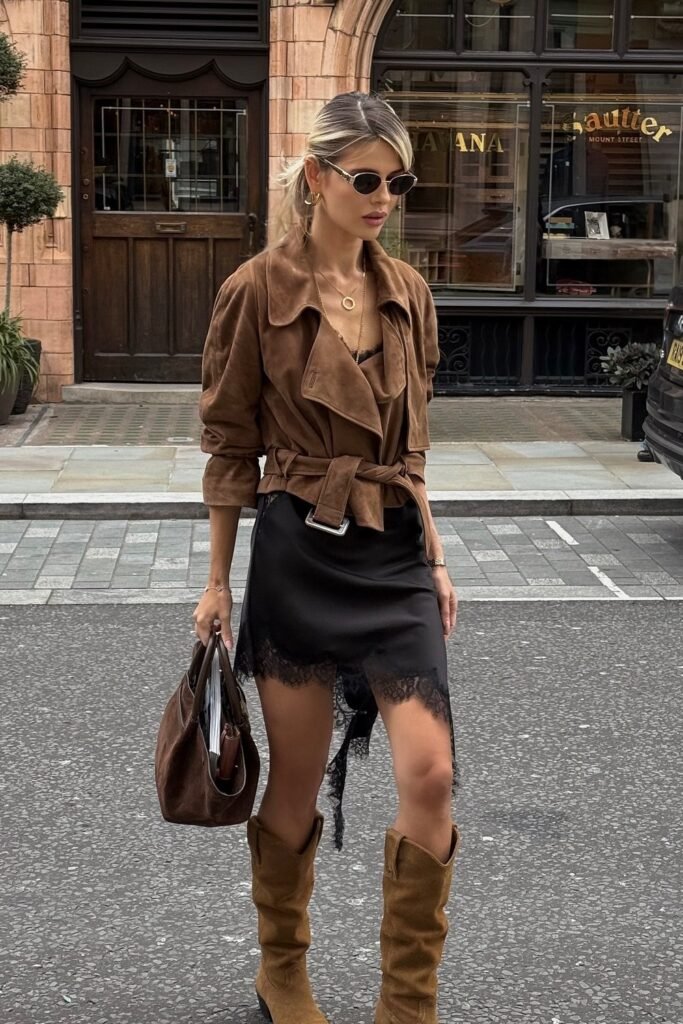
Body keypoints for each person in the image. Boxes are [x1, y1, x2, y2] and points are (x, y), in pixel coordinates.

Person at [193, 91, 462, 1024]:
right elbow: (229, 447)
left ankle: (407, 1005)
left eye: (400, 180)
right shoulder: (255, 290)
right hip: (297, 551)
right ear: (316, 179)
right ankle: (282, 971)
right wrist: (218, 581)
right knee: (296, 786)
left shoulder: (410, 293)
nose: (384, 195)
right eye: (366, 178)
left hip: (390, 553)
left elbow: (416, 440)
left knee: (429, 773)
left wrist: (432, 558)